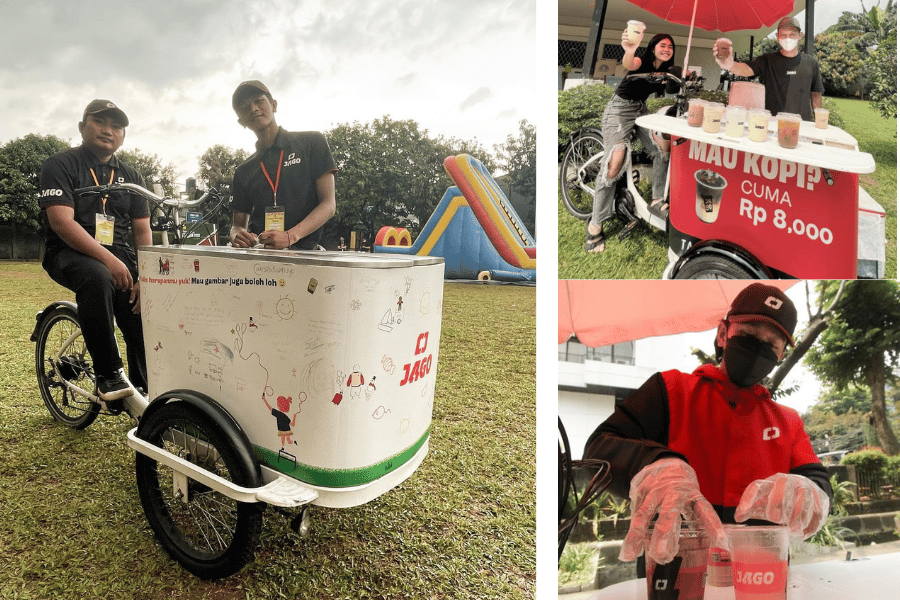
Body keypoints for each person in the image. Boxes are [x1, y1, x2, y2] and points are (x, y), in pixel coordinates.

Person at [583, 283, 832, 566]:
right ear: (723, 334)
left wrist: (811, 491)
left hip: (760, 573)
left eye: (771, 345)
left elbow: (817, 480)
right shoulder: (669, 389)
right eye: (748, 335)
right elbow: (598, 449)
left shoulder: (788, 421)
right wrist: (654, 464)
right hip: (675, 568)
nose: (756, 349)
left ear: (781, 355)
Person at [38, 99, 150, 401]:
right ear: (81, 127)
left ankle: (147, 384)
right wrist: (109, 260)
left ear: (123, 135)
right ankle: (108, 374)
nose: (108, 130)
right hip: (68, 252)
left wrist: (146, 276)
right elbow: (61, 223)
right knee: (98, 275)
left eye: (116, 125)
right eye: (99, 122)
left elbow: (142, 231)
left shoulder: (131, 175)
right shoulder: (60, 165)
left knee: (146, 301)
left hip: (117, 253)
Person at [586, 32, 676, 254]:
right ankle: (595, 223)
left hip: (640, 109)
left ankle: (656, 199)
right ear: (653, 47)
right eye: (662, 45)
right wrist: (628, 49)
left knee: (661, 149)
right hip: (619, 109)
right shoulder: (642, 62)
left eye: (670, 47)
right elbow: (630, 62)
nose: (666, 49)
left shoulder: (664, 72)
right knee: (614, 164)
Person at [229, 81, 338, 250]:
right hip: (261, 260)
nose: (253, 108)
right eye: (245, 107)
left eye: (259, 101)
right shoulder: (243, 171)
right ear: (241, 121)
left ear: (274, 105)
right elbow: (238, 225)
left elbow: (329, 205)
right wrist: (237, 235)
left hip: (308, 255)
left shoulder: (312, 143)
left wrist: (290, 236)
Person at [713, 16, 824, 121]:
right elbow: (746, 69)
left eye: (792, 34)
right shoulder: (768, 60)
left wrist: (819, 120)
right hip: (773, 122)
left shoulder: (811, 62)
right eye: (783, 35)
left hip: (803, 124)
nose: (787, 38)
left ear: (800, 35)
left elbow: (816, 94)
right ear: (777, 37)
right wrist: (729, 64)